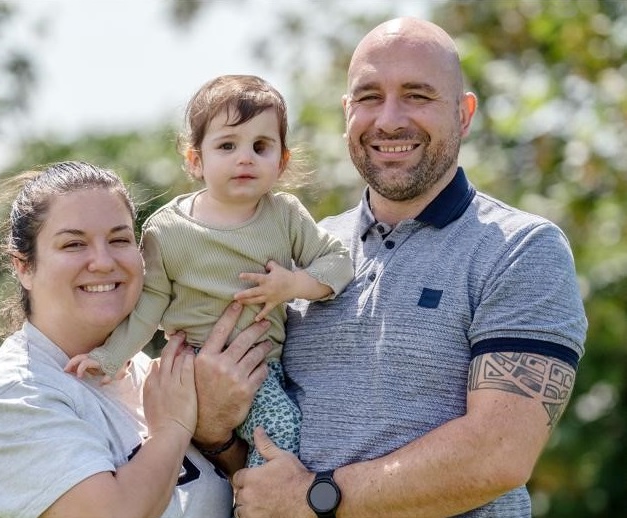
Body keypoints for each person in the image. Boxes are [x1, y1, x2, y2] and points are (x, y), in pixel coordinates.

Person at [228, 17, 588, 517]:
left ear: (464, 115)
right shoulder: (299, 252)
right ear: (347, 111)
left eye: (417, 95)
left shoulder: (522, 250)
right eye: (369, 96)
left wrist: (314, 496)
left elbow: (498, 455)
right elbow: (250, 435)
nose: (389, 120)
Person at [65, 75, 354, 467]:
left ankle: (255, 501)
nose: (245, 157)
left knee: (289, 433)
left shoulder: (284, 215)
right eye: (227, 146)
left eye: (261, 146)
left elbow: (339, 262)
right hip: (189, 366)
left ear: (282, 161)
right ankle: (261, 506)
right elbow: (150, 303)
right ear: (195, 160)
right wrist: (112, 356)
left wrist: (292, 284)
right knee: (281, 427)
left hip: (259, 367)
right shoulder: (167, 230)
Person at [0, 161, 270, 518]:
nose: (103, 262)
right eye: (74, 244)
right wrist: (173, 429)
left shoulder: (155, 374)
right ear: (24, 267)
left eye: (119, 240)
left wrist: (217, 435)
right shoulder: (11, 396)